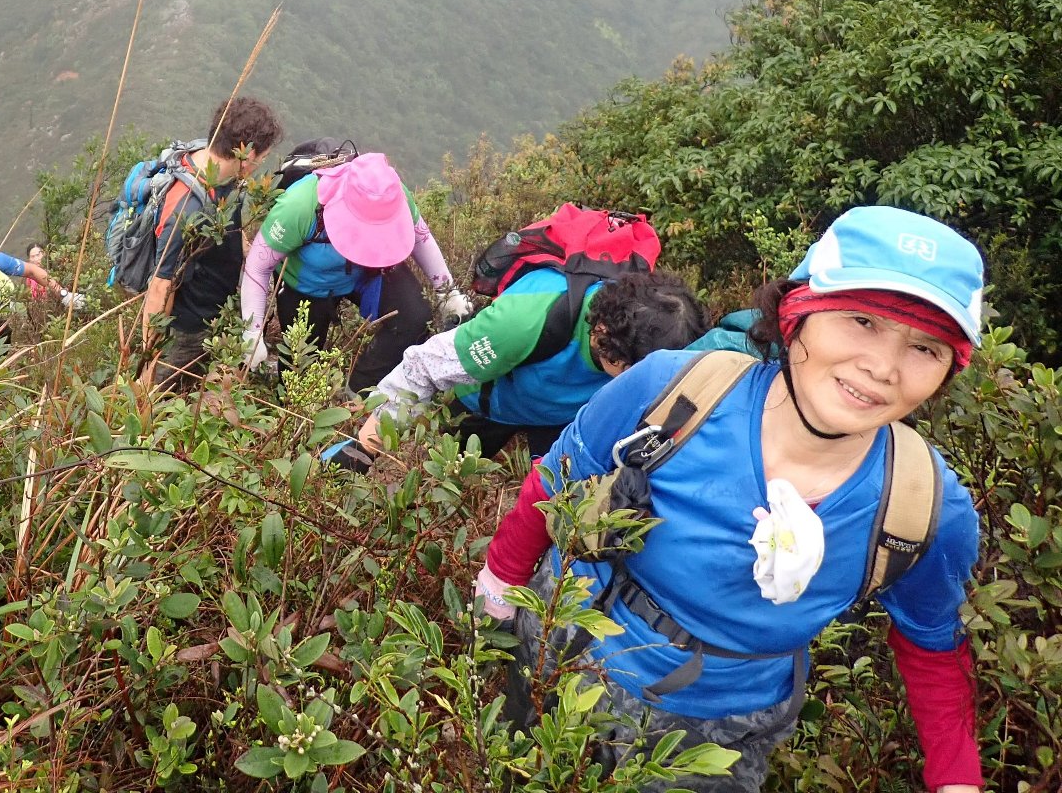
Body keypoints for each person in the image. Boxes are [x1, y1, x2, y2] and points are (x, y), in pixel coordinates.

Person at [475, 206, 987, 792]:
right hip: (568, 642)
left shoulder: (922, 504)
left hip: (720, 728)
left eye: (925, 348)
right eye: (861, 321)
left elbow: (932, 643)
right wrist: (500, 584)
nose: (882, 367)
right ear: (796, 314)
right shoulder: (671, 389)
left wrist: (956, 777)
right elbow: (557, 481)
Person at [337, 269, 709, 469]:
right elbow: (423, 368)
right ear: (600, 333)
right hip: (486, 404)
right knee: (443, 477)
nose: (637, 383)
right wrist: (364, 449)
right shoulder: (523, 322)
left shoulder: (661, 343)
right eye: (630, 371)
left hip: (561, 422)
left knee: (553, 503)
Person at [239, 151, 469, 392]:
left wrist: (447, 292)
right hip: (307, 285)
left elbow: (420, 237)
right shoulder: (300, 206)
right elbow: (258, 265)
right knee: (297, 375)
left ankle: (360, 392)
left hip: (369, 271)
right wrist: (252, 333)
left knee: (413, 318)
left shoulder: (391, 194)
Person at [143, 96, 284, 387]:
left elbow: (226, 217)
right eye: (263, 157)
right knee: (163, 393)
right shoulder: (187, 207)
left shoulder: (220, 169)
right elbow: (160, 286)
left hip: (214, 310)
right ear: (248, 154)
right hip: (188, 325)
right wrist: (148, 361)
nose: (260, 164)